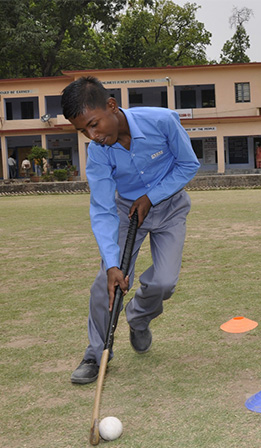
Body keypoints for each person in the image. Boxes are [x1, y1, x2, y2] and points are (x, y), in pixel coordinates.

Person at [61, 76, 200, 384]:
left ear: (111, 106)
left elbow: (188, 165)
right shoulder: (98, 152)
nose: (92, 135)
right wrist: (112, 264)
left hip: (169, 207)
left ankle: (138, 318)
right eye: (83, 130)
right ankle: (96, 354)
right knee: (105, 284)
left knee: (164, 283)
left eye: (94, 124)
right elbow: (102, 208)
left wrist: (152, 196)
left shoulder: (162, 121)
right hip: (127, 212)